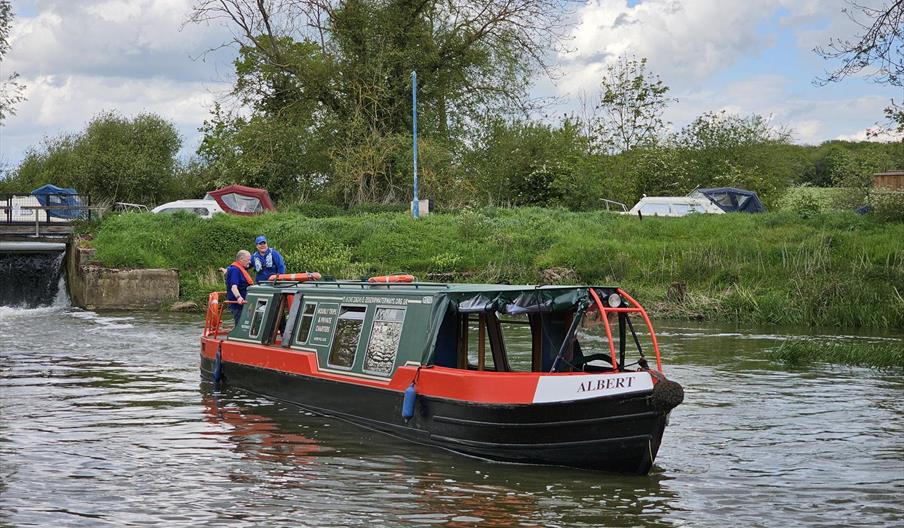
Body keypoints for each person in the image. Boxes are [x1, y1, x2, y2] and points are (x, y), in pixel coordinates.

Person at [225, 250, 253, 325]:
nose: (250, 262)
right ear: (241, 259)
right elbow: (234, 287)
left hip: (245, 304)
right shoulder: (234, 270)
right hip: (238, 305)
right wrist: (239, 297)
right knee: (240, 324)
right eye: (248, 260)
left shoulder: (240, 269)